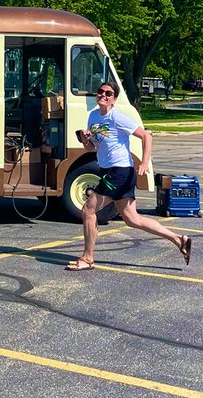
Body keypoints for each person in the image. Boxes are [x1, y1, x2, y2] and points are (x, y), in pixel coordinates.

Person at [66, 81, 192, 271]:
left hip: (120, 171)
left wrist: (144, 162)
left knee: (88, 209)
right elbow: (93, 147)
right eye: (100, 92)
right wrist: (86, 140)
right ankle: (178, 240)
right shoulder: (92, 117)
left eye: (108, 93)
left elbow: (146, 136)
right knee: (132, 219)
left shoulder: (117, 117)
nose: (103, 95)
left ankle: (87, 258)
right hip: (108, 170)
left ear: (114, 99)